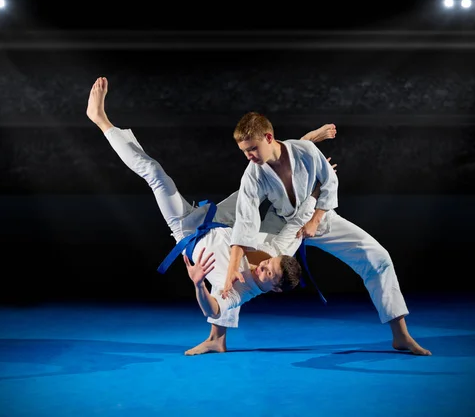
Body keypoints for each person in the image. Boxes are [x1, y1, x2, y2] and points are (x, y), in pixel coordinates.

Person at [85, 77, 334, 355]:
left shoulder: (242, 291)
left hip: (188, 231)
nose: (263, 266)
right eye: (269, 263)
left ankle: (101, 121)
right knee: (266, 176)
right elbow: (299, 219)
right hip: (223, 220)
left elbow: (214, 308)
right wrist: (316, 187)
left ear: (273, 289)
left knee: (155, 175)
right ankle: (217, 340)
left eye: (266, 273)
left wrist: (199, 284)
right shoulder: (281, 250)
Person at [222, 111, 432, 356]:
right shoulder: (253, 173)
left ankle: (401, 335)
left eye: (252, 149)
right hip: (280, 223)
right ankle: (217, 337)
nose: (249, 156)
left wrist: (315, 220)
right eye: (244, 151)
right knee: (246, 270)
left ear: (268, 137)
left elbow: (330, 183)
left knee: (378, 257)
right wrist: (231, 270)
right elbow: (245, 220)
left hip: (319, 216)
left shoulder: (305, 151)